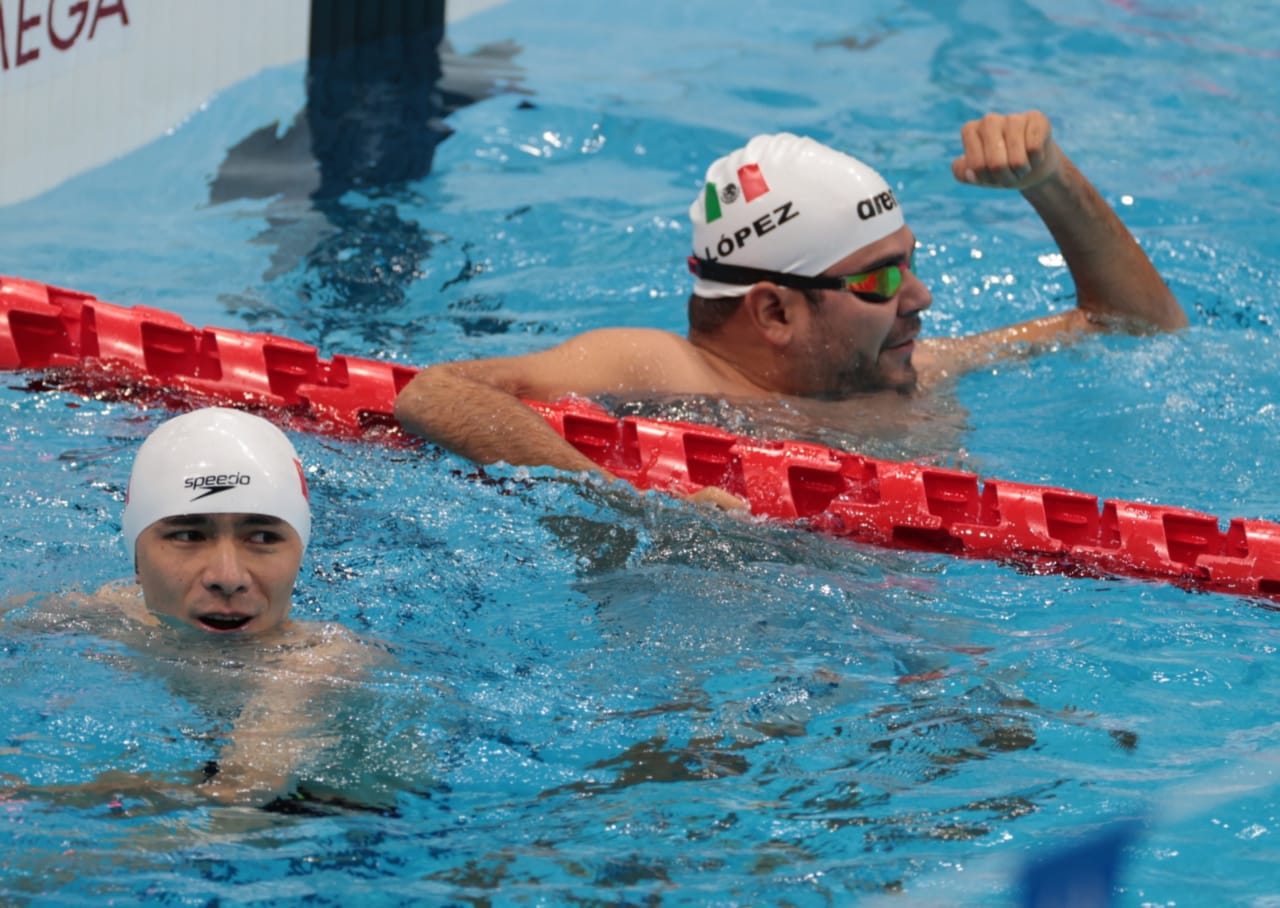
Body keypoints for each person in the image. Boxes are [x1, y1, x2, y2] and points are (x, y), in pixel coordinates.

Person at [394, 110, 1188, 478]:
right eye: (881, 278)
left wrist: (1050, 181)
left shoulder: (905, 374)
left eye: (911, 263)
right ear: (773, 310)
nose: (920, 297)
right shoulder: (661, 369)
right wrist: (619, 500)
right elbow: (438, 392)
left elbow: (1133, 324)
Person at [3, 407, 385, 810]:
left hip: (325, 820)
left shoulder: (315, 668)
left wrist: (36, 796)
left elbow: (234, 803)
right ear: (136, 559)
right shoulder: (114, 614)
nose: (228, 576)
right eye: (188, 535)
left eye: (262, 537)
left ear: (299, 554)